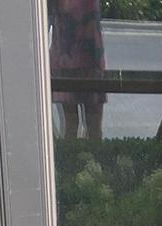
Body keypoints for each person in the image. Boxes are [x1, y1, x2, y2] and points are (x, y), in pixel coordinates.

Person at [49, 0, 107, 139]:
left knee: (91, 128)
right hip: (67, 59)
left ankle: (92, 159)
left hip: (87, 58)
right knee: (73, 125)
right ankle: (80, 158)